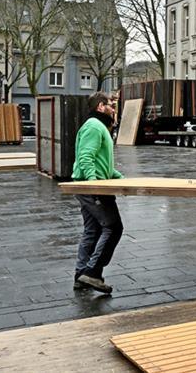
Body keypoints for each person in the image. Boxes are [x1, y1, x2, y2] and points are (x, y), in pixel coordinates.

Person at [72, 92, 124, 294]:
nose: (113, 109)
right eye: (110, 105)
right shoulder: (94, 126)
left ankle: (81, 276)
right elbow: (86, 157)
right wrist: (93, 185)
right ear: (101, 107)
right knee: (113, 227)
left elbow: (103, 163)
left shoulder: (99, 127)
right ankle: (93, 273)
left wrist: (120, 178)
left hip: (91, 185)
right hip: (93, 187)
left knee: (92, 230)